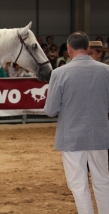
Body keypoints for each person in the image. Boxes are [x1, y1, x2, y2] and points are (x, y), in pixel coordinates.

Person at [44, 31, 109, 214]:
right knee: (103, 181)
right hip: (99, 135)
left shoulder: (59, 73)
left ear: (69, 49)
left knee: (79, 185)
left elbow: (50, 110)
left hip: (71, 137)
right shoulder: (106, 71)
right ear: (88, 48)